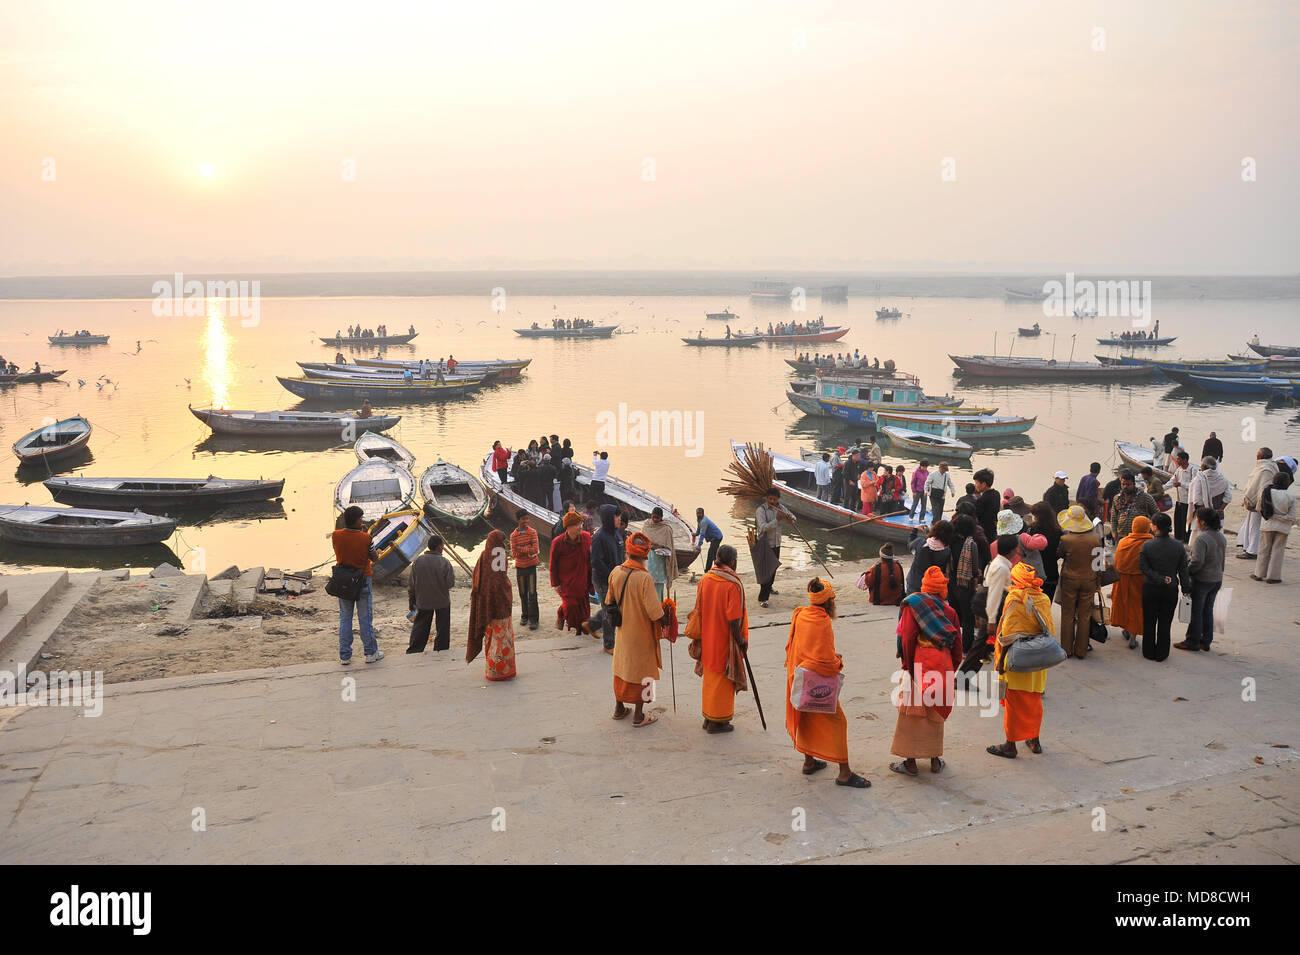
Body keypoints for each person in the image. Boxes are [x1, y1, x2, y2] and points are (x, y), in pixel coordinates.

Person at [784, 578, 869, 788]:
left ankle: (809, 761)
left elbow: (804, 647)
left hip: (798, 676)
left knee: (805, 718)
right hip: (815, 680)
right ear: (829, 602)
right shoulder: (823, 622)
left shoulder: (801, 614)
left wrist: (831, 656)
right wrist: (837, 662)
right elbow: (824, 662)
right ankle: (844, 773)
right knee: (838, 722)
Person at [891, 566, 962, 776]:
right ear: (942, 590)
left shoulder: (913, 606)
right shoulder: (950, 612)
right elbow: (957, 646)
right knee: (934, 713)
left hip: (920, 663)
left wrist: (908, 666)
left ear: (924, 586)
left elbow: (907, 638)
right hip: (943, 663)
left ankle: (910, 763)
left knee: (910, 714)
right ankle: (934, 761)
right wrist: (951, 667)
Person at [987, 562, 1052, 759]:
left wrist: (1000, 661)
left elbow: (1007, 633)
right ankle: (1034, 740)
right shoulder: (1044, 598)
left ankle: (1010, 745)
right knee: (1034, 701)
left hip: (1017, 659)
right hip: (1039, 660)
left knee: (1014, 703)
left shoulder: (1015, 599)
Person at [608, 532, 668, 727]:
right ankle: (639, 715)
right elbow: (654, 612)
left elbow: (609, 601)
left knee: (621, 668)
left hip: (623, 632)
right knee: (643, 671)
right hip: (642, 635)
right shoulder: (644, 578)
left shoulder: (616, 572)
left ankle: (619, 708)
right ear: (645, 555)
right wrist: (667, 615)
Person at [691, 544, 749, 733]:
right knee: (722, 682)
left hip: (708, 638)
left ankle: (708, 718)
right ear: (732, 561)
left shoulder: (706, 578)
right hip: (724, 640)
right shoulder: (732, 584)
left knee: (710, 680)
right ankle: (717, 722)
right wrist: (740, 640)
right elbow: (734, 620)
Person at [332, 506, 382, 665]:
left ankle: (344, 655)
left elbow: (340, 551)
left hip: (343, 581)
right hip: (362, 580)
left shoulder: (336, 535)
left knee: (345, 618)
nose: (362, 521)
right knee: (365, 618)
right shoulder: (365, 538)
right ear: (356, 521)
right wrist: (367, 536)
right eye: (361, 518)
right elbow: (374, 558)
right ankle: (370, 653)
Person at [1138, 512, 1189, 661]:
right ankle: (1162, 653)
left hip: (1151, 588)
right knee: (1165, 623)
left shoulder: (1147, 545)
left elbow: (1143, 567)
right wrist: (1186, 589)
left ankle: (1148, 652)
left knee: (1149, 621)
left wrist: (1158, 578)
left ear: (1155, 527)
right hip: (1170, 589)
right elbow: (1183, 570)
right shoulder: (1179, 546)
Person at [1175, 508, 1226, 653]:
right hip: (1216, 578)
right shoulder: (1220, 536)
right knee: (1207, 610)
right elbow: (1222, 560)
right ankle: (1205, 640)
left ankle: (1192, 641)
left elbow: (1197, 561)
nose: (1195, 521)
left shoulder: (1202, 538)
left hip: (1203, 579)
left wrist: (1187, 571)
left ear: (1202, 522)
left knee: (1196, 612)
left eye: (1196, 519)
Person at [467, 530, 515, 680]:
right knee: (502, 639)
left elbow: (480, 581)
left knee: (491, 637)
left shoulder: (483, 556)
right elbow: (500, 580)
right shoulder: (500, 554)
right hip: (501, 604)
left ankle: (492, 670)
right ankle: (499, 671)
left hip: (486, 606)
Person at [1057, 505, 1102, 660]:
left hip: (1069, 579)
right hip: (1089, 579)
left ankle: (1066, 649)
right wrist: (1098, 583)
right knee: (1085, 615)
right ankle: (1081, 650)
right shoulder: (1096, 539)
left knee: (1068, 614)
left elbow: (1060, 554)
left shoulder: (1065, 539)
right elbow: (1099, 564)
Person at [1111, 515, 1153, 650]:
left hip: (1122, 579)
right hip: (1140, 580)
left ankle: (1127, 629)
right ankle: (1133, 638)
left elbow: (1117, 562)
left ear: (1134, 526)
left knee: (1124, 604)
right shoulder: (1150, 542)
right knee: (1136, 608)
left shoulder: (1124, 542)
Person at [587, 504, 625, 652]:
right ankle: (608, 645)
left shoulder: (617, 533)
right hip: (603, 579)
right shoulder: (599, 537)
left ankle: (591, 625)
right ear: (609, 518)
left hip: (617, 577)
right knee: (610, 609)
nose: (619, 518)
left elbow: (621, 554)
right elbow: (596, 561)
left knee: (611, 607)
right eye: (616, 516)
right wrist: (611, 575)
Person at [407, 537, 455, 652]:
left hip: (423, 601)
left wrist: (411, 600)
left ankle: (415, 650)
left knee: (420, 627)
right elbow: (450, 584)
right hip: (442, 601)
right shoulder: (445, 562)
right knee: (442, 628)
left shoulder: (418, 561)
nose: (443, 548)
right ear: (439, 547)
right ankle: (441, 649)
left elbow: (411, 585)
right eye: (442, 546)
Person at [549, 511, 592, 633]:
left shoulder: (586, 537)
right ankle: (561, 613)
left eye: (581, 524)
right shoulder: (557, 542)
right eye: (577, 524)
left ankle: (580, 631)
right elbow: (553, 565)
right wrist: (555, 583)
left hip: (582, 578)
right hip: (566, 581)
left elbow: (590, 559)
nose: (581, 527)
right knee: (571, 606)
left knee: (583, 609)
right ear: (568, 527)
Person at [1253, 472, 1296, 583]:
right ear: (1287, 482)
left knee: (1264, 549)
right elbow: (1292, 516)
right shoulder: (1291, 496)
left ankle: (1259, 574)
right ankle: (1274, 577)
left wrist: (1273, 516)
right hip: (1283, 528)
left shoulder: (1266, 492)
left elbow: (1259, 508)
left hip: (1267, 525)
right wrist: (1280, 517)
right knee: (1278, 551)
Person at [1237, 447, 1278, 560]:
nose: (1256, 456)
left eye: (1257, 454)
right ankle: (1248, 547)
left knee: (1255, 527)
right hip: (1261, 502)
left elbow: (1258, 487)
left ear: (1260, 456)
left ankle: (1252, 551)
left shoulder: (1265, 469)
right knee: (1251, 525)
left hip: (1260, 503)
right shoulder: (1272, 465)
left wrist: (1250, 499)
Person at [948, 514, 982, 648]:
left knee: (953, 615)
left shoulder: (950, 541)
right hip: (965, 585)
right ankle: (966, 647)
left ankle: (953, 644)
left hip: (951, 582)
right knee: (968, 618)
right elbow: (974, 569)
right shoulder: (971, 544)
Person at [1188, 456, 1231, 548]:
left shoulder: (1199, 479)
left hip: (1203, 515)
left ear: (1203, 466)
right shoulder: (1223, 479)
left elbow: (1197, 500)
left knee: (1199, 542)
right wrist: (1220, 509)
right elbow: (1228, 498)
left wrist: (1206, 512)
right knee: (1217, 540)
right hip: (1218, 514)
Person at [755, 488, 788, 606]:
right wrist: (776, 520)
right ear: (766, 498)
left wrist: (790, 518)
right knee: (766, 572)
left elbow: (790, 515)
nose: (772, 501)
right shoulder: (761, 510)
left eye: (774, 499)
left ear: (778, 499)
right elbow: (763, 527)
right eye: (770, 499)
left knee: (773, 569)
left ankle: (769, 587)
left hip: (776, 543)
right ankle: (763, 598)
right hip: (765, 545)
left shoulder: (780, 507)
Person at [509, 510, 540, 630]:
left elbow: (535, 549)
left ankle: (534, 619)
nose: (526, 521)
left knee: (532, 593)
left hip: (531, 566)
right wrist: (528, 549)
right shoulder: (513, 535)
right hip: (520, 567)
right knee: (523, 593)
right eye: (523, 519)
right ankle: (525, 616)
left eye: (527, 519)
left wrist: (521, 548)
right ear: (518, 520)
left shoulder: (532, 532)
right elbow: (514, 553)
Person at [906, 520, 953, 595]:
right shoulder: (946, 552)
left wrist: (915, 530)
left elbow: (909, 545)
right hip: (931, 587)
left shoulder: (920, 543)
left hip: (914, 583)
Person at [1027, 501, 1061, 601]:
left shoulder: (1031, 530)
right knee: (1046, 605)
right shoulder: (1057, 532)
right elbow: (1059, 553)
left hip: (1033, 574)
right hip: (1051, 574)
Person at [1111, 469, 1157, 539]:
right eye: (1123, 484)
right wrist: (1114, 533)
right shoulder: (1117, 498)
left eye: (1128, 484)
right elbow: (1114, 518)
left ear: (1134, 484)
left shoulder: (1146, 498)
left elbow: (1156, 515)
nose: (1125, 487)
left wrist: (1153, 532)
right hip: (1122, 535)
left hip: (1140, 536)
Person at [1167, 451, 1197, 543]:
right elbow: (1171, 482)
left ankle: (1186, 540)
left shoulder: (1193, 470)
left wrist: (1181, 484)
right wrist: (1161, 489)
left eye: (1179, 459)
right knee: (1178, 522)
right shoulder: (1179, 469)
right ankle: (1179, 539)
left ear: (1184, 460)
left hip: (1189, 502)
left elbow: (1194, 485)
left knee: (1187, 522)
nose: (1177, 460)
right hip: (1180, 501)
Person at [693, 507, 723, 574]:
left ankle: (708, 571)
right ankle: (717, 569)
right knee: (714, 554)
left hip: (717, 537)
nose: (698, 515)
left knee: (711, 554)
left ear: (703, 514)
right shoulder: (699, 520)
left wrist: (699, 545)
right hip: (714, 538)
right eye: (697, 513)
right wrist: (695, 534)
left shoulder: (704, 521)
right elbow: (699, 529)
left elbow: (702, 534)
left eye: (700, 513)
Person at [973, 468, 999, 542]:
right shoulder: (996, 494)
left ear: (984, 484)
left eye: (976, 483)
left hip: (983, 533)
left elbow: (976, 516)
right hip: (993, 530)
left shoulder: (982, 500)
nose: (975, 485)